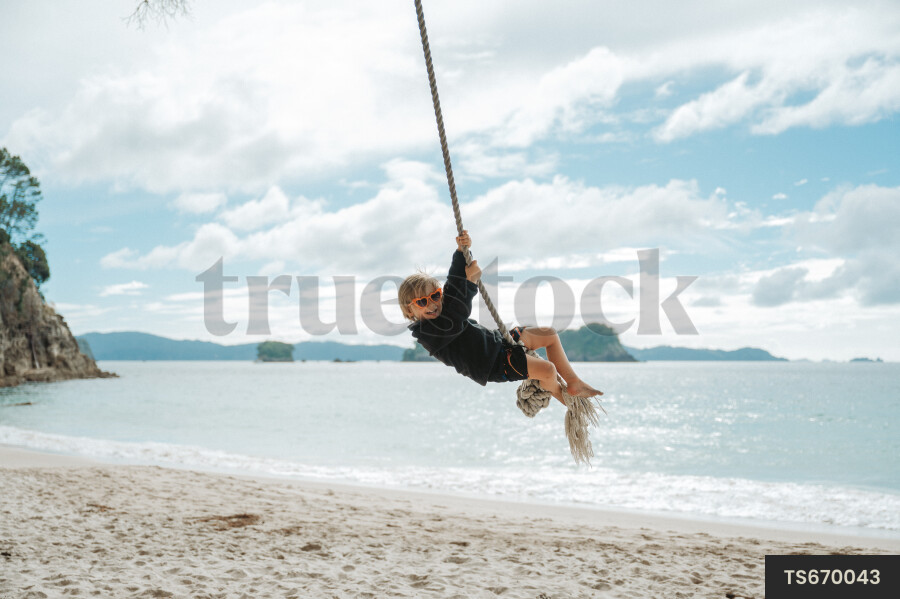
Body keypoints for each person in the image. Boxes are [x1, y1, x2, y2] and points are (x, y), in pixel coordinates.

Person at [399, 230, 602, 406]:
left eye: (435, 296)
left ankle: (573, 381)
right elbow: (456, 317)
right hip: (494, 363)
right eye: (422, 302)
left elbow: (453, 283)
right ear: (410, 312)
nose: (432, 304)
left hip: (498, 342)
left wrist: (461, 252)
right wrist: (470, 283)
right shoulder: (428, 334)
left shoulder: (444, 308)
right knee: (547, 370)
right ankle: (569, 402)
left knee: (548, 334)